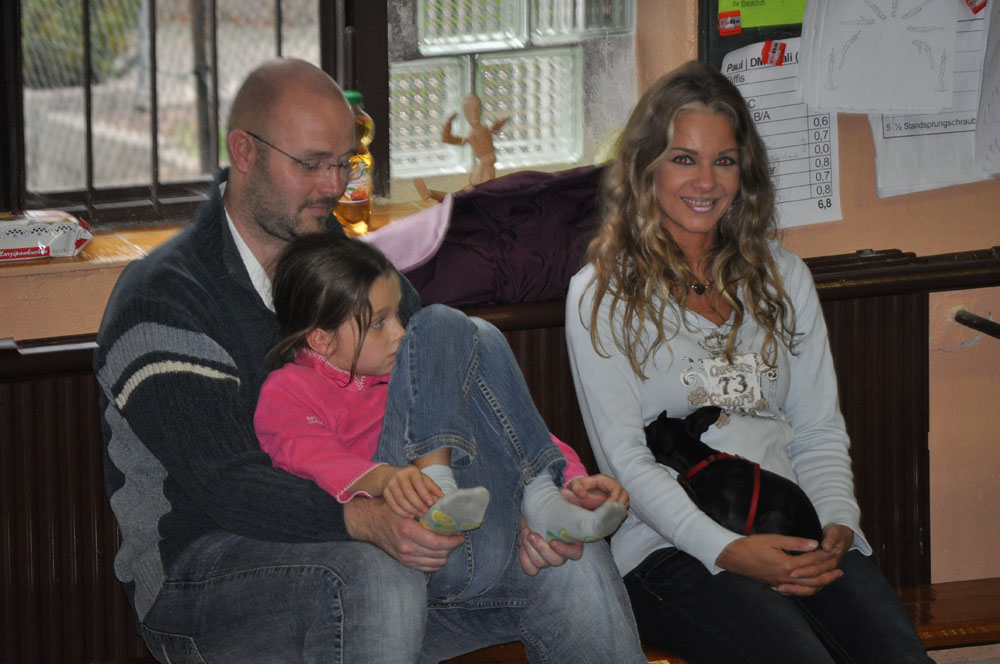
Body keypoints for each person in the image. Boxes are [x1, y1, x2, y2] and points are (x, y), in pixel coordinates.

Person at [94, 56, 646, 664]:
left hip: (385, 528)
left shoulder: (345, 261)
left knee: (566, 555)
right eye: (311, 164)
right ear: (244, 152)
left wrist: (539, 494)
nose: (333, 186)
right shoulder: (165, 296)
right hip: (201, 570)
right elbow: (228, 486)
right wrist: (366, 518)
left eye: (344, 163)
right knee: (374, 573)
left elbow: (439, 392)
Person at [565, 60, 932, 663]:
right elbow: (626, 460)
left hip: (794, 524)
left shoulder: (783, 275)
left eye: (725, 160)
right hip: (669, 547)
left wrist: (836, 525)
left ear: (746, 170)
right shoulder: (600, 294)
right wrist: (727, 550)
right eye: (684, 158)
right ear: (646, 167)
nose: (706, 181)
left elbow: (817, 429)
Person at [255, 232, 628, 551]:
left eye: (397, 315)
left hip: (478, 499)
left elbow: (507, 419)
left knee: (481, 335)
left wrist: (571, 475)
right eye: (380, 323)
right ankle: (440, 486)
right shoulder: (289, 390)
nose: (400, 332)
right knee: (442, 323)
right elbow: (311, 457)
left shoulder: (404, 365)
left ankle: (545, 496)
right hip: (405, 514)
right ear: (321, 339)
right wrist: (384, 478)